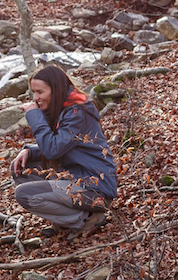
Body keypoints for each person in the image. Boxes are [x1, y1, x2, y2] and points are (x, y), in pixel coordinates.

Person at [11, 64, 117, 237]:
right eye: (34, 92)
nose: (36, 98)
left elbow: (53, 150)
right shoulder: (62, 109)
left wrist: (34, 115)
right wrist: (30, 151)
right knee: (20, 167)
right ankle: (65, 218)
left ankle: (84, 218)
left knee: (24, 194)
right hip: (76, 177)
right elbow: (62, 145)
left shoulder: (77, 111)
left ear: (56, 90)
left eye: (40, 92)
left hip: (95, 189)